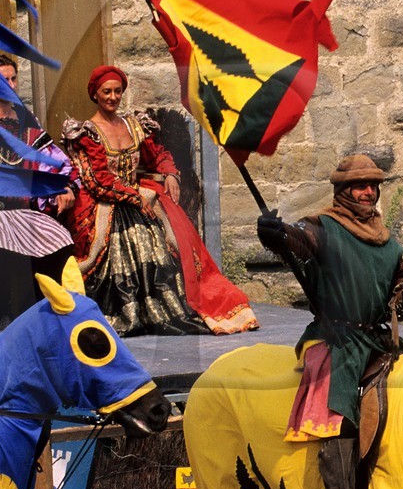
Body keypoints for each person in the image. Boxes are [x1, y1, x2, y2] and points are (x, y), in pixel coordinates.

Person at [256, 153, 403, 489]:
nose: (367, 193)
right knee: (340, 410)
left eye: (372, 186)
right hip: (335, 338)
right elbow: (297, 241)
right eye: (359, 186)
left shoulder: (388, 243)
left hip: (377, 339)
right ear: (343, 191)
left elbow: (402, 297)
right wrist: (275, 234)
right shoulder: (324, 227)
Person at [62, 64, 257, 336]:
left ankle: (170, 308)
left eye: (117, 91)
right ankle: (129, 311)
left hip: (137, 196)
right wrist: (133, 196)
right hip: (107, 202)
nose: (113, 97)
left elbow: (158, 155)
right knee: (133, 241)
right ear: (95, 94)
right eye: (106, 92)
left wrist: (170, 173)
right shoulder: (88, 133)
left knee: (172, 239)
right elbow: (98, 180)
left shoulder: (134, 125)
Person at [0, 54, 77, 331]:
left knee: (59, 238)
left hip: (22, 212)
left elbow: (54, 160)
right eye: (3, 80)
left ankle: (53, 316)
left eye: (13, 79)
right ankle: (7, 320)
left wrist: (63, 186)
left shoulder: (26, 122)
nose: (10, 85)